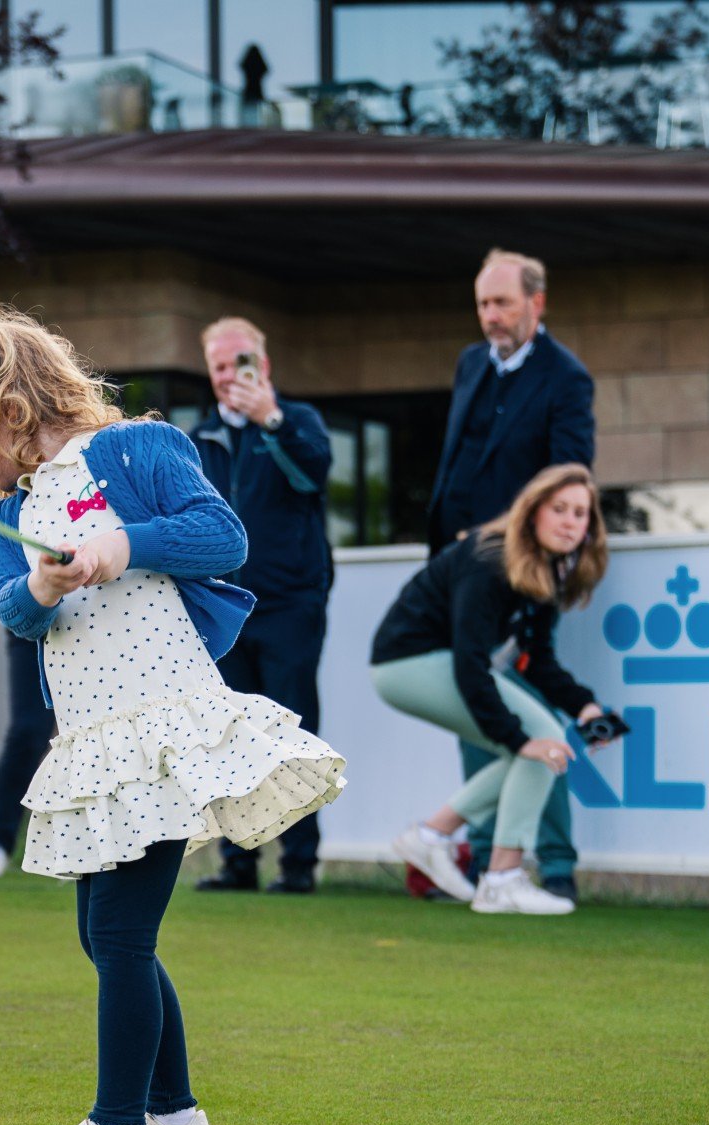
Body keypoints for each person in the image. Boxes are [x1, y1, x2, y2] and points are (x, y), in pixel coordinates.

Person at [0, 304, 346, 1125]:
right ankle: (175, 1122)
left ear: (6, 401)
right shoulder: (9, 512)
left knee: (122, 933)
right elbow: (12, 610)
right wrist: (43, 583)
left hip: (163, 728)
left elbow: (224, 537)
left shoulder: (137, 450)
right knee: (105, 934)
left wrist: (123, 542)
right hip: (92, 741)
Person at [427, 248, 596, 900]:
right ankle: (483, 861)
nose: (490, 316)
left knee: (532, 715)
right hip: (456, 574)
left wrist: (520, 545)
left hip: (523, 574)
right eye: (483, 304)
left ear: (537, 303)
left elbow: (568, 481)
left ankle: (551, 862)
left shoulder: (567, 379)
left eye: (502, 303)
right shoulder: (471, 364)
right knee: (475, 708)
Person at [370, 464, 609, 917]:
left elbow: (536, 659)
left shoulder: (548, 569)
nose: (570, 522)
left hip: (433, 663)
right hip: (406, 663)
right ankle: (500, 878)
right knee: (538, 737)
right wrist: (519, 738)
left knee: (539, 747)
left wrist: (585, 706)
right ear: (531, 512)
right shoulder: (489, 558)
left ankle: (432, 836)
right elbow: (470, 663)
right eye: (559, 509)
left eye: (580, 514)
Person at [191, 317, 333, 895]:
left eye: (240, 363)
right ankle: (238, 862)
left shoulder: (296, 422)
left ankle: (299, 865)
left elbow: (315, 475)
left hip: (290, 605)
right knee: (228, 737)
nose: (230, 376)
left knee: (295, 731)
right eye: (220, 366)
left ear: (264, 366)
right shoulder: (198, 439)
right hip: (224, 608)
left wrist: (269, 421)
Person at [0, 633, 56, 878]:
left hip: (101, 623)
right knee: (27, 733)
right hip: (35, 621)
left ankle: (95, 847)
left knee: (96, 733)